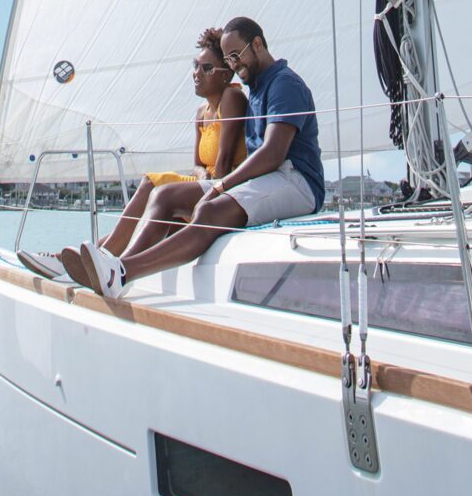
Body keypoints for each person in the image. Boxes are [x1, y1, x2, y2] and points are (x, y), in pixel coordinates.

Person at [72, 16, 324, 300]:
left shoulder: (284, 84)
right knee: (166, 196)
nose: (232, 64)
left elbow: (273, 153)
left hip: (297, 182)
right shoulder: (257, 87)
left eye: (235, 55)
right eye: (227, 59)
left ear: (257, 44)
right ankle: (114, 268)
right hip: (265, 178)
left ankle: (122, 272)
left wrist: (221, 186)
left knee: (209, 213)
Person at [18, 30, 246, 283]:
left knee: (152, 183)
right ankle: (71, 260)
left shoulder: (232, 97)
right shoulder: (201, 112)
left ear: (226, 74)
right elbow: (197, 164)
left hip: (223, 188)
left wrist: (209, 182)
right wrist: (202, 173)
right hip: (204, 182)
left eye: (206, 68)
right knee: (137, 216)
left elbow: (224, 163)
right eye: (195, 66)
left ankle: (103, 260)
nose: (197, 73)